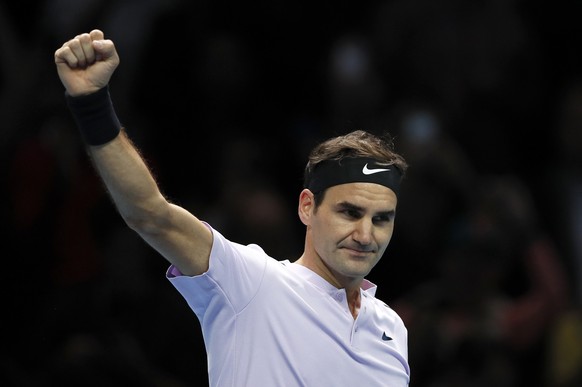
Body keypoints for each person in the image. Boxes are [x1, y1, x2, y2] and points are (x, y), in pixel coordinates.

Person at [54, 29, 411, 386]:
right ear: (307, 207)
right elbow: (150, 214)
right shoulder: (250, 282)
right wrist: (91, 103)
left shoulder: (391, 328)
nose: (366, 235)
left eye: (381, 219)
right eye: (349, 212)